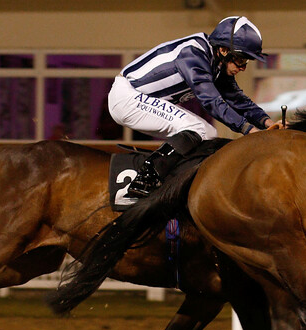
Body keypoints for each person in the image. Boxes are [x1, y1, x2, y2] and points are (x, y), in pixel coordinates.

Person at [108, 16, 282, 198]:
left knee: (209, 133)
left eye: (246, 61)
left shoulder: (217, 62)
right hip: (126, 98)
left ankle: (176, 181)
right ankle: (146, 177)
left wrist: (267, 123)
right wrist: (249, 130)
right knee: (196, 127)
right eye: (241, 59)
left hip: (138, 99)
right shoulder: (193, 53)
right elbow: (212, 101)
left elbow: (237, 99)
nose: (243, 67)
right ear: (223, 50)